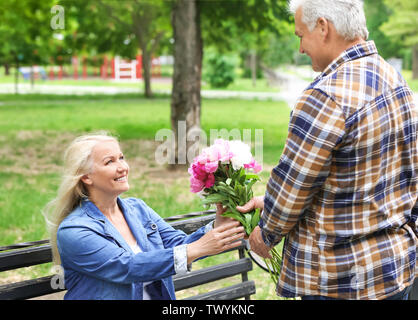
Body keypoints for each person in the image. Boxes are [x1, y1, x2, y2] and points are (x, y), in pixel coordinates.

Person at [238, 0, 417, 300]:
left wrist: (266, 234)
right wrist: (267, 202)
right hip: (395, 270)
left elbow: (294, 185)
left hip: (342, 280)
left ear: (323, 27)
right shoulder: (395, 80)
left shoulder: (326, 95)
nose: (300, 49)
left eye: (300, 36)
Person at [43, 132, 245, 300]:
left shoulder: (137, 209)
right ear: (86, 176)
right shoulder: (74, 230)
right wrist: (196, 248)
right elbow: (127, 268)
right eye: (109, 161)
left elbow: (178, 244)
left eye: (121, 157)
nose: (123, 167)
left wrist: (217, 226)